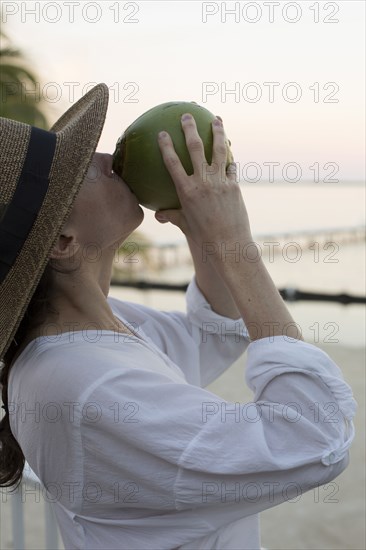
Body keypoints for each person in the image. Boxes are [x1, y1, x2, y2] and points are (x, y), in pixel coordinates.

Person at [0, 83, 356, 550]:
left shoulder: (87, 332)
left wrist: (205, 230)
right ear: (63, 241)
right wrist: (236, 242)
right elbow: (315, 435)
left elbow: (211, 333)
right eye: (80, 169)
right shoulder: (82, 385)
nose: (108, 158)